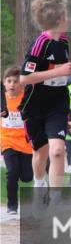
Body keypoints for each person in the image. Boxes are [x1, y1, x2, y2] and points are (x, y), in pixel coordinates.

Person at [19, 0, 71, 204]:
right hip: (35, 106)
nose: (68, 19)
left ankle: (56, 203)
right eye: (66, 15)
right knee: (41, 154)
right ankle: (39, 183)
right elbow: (25, 78)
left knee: (57, 151)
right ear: (58, 18)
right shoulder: (40, 44)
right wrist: (58, 71)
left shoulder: (64, 42)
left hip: (57, 104)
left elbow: (62, 69)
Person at [2, 66, 33, 220]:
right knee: (12, 172)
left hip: (25, 144)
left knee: (27, 177)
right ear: (4, 83)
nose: (12, 84)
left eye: (16, 81)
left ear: (21, 84)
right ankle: (12, 205)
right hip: (7, 141)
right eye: (9, 81)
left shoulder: (26, 98)